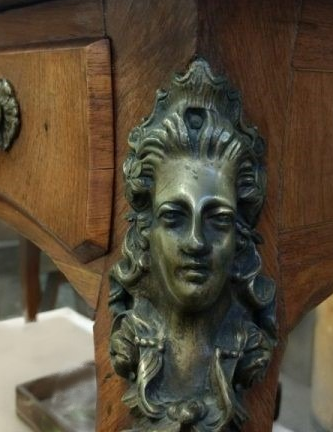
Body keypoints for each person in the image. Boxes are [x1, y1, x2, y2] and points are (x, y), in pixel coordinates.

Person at [109, 59, 276, 432]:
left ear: (241, 239)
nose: (197, 242)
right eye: (174, 218)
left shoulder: (245, 346)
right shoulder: (135, 340)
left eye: (219, 220)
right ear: (146, 234)